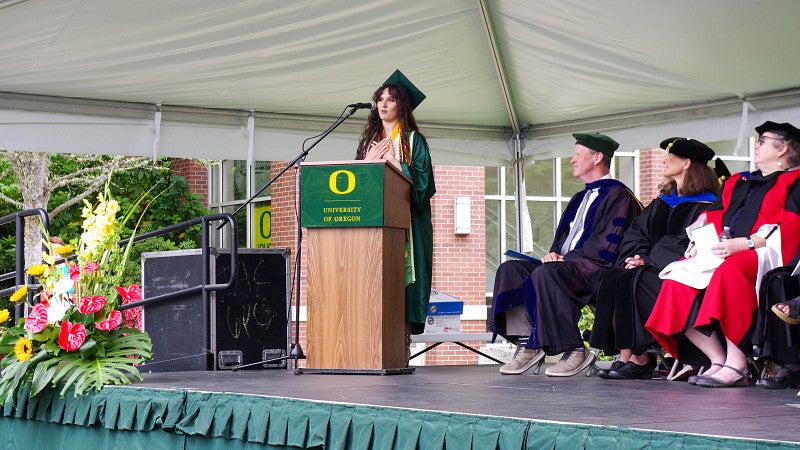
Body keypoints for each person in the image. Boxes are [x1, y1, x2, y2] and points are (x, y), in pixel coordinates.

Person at [645, 121, 800, 388]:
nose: (757, 144)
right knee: (676, 276)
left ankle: (737, 363)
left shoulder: (795, 181)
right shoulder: (738, 181)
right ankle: (716, 359)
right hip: (724, 250)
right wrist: (702, 239)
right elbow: (714, 215)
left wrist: (747, 244)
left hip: (766, 253)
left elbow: (791, 228)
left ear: (783, 148)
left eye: (763, 140)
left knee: (733, 269)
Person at [489, 132, 641, 376]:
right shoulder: (580, 197)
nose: (572, 160)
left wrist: (564, 260)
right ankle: (528, 342)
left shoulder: (619, 195)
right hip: (567, 267)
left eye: (578, 154)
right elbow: (562, 240)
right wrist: (554, 254)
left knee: (548, 273)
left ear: (598, 157)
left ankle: (574, 349)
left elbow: (607, 243)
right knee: (510, 270)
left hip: (598, 270)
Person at [590, 138, 719, 380]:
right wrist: (637, 256)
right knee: (614, 276)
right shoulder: (662, 202)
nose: (663, 161)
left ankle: (640, 357)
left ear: (687, 163)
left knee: (633, 279)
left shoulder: (708, 205)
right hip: (651, 265)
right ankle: (626, 354)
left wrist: (648, 260)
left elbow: (687, 243)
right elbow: (636, 233)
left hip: (684, 273)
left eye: (670, 158)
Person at [356, 69, 435, 353]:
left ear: (402, 105)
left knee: (405, 282)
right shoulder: (368, 145)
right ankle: (373, 344)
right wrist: (366, 163)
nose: (383, 104)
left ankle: (400, 346)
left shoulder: (414, 142)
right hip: (375, 223)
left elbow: (424, 186)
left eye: (391, 99)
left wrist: (395, 163)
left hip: (409, 226)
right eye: (380, 99)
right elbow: (357, 188)